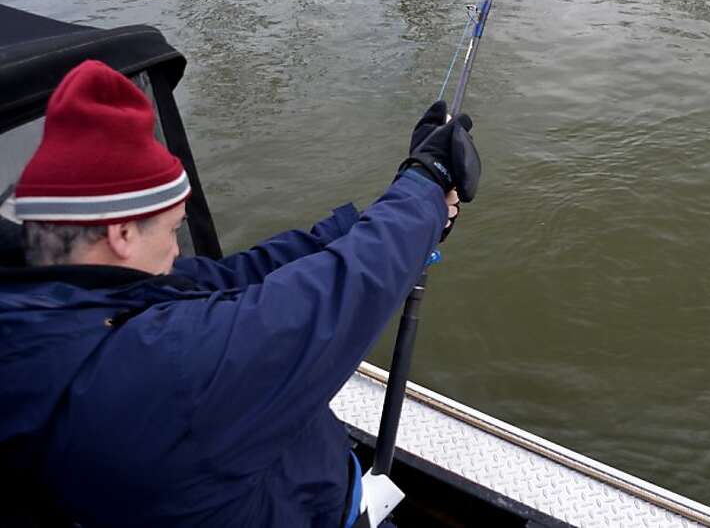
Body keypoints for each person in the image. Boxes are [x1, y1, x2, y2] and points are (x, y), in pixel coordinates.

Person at [0, 59, 481, 527]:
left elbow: (235, 279)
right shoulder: (161, 372)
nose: (175, 251)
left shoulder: (58, 308)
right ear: (122, 233)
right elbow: (327, 302)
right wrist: (425, 189)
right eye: (172, 231)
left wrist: (394, 207)